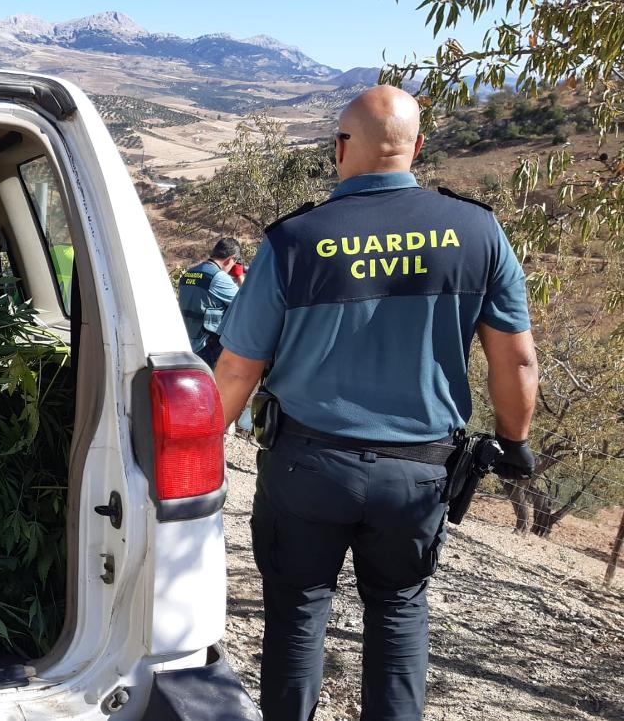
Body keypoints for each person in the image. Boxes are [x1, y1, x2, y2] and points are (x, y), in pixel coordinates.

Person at [213, 85, 539, 721]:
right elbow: (518, 359)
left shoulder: (293, 240)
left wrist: (201, 449)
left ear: (340, 148)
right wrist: (515, 441)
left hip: (306, 467)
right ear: (417, 147)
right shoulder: (477, 231)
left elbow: (234, 367)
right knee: (398, 610)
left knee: (299, 613)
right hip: (418, 473)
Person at [178, 237, 241, 367]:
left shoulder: (188, 273)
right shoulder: (218, 277)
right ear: (230, 259)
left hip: (186, 343)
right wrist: (240, 276)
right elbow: (245, 304)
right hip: (207, 346)